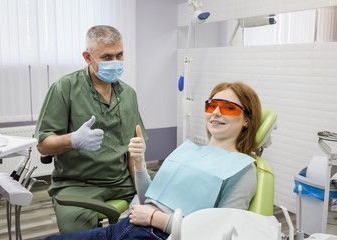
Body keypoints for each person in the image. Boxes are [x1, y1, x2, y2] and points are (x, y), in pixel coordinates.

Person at [40, 81, 262, 240]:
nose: (216, 113)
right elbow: (149, 197)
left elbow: (221, 232)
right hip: (131, 224)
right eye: (211, 105)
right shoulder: (190, 151)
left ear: (246, 120)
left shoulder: (241, 169)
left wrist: (157, 219)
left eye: (228, 108)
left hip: (158, 234)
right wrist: (139, 163)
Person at [34, 25, 148, 233]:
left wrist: (142, 189)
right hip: (78, 185)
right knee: (78, 236)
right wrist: (72, 140)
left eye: (119, 55)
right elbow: (43, 146)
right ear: (88, 57)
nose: (115, 62)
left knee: (170, 197)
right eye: (106, 57)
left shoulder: (128, 94)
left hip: (121, 180)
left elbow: (134, 150)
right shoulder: (64, 88)